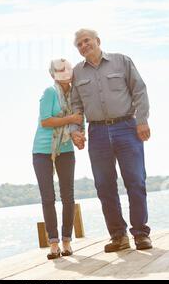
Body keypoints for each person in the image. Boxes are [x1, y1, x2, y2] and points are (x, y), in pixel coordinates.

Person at [70, 28, 152, 252]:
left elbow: (140, 91)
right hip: (97, 133)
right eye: (79, 44)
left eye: (86, 41)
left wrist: (141, 120)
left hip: (127, 127)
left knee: (135, 181)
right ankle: (118, 236)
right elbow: (75, 106)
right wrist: (76, 130)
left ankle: (141, 234)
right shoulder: (77, 73)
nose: (84, 46)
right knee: (104, 186)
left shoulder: (122, 61)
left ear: (97, 41)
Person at [32, 58, 83, 259]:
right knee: (48, 198)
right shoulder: (49, 92)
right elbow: (46, 121)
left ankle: (67, 241)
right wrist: (70, 119)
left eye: (67, 68)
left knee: (68, 196)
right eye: (59, 70)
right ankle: (53, 243)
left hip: (66, 148)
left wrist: (79, 136)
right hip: (42, 150)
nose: (64, 72)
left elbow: (81, 119)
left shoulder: (77, 95)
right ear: (52, 74)